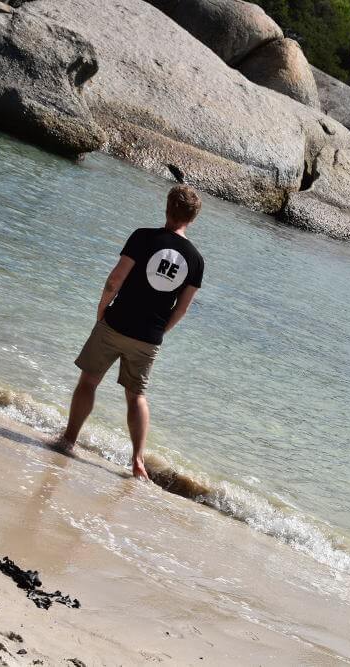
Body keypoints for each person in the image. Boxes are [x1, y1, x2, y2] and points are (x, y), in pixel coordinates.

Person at [57, 185, 205, 480]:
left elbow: (114, 280)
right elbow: (182, 308)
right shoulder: (196, 260)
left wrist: (102, 310)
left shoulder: (142, 237)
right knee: (136, 395)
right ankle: (137, 461)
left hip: (117, 322)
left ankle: (69, 440)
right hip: (149, 337)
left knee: (89, 381)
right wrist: (160, 330)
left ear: (167, 208)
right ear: (193, 218)